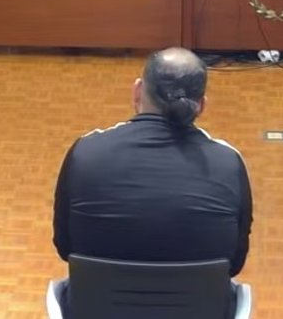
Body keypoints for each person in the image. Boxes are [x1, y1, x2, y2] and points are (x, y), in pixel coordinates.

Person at [51, 48, 252, 317]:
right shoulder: (228, 162)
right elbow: (235, 263)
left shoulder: (85, 152)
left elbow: (65, 247)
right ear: (201, 105)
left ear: (137, 91)